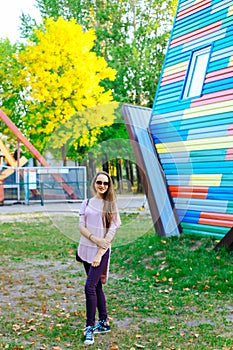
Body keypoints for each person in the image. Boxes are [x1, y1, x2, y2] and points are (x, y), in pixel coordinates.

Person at [77, 171, 121, 345]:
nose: (102, 186)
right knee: (96, 288)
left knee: (89, 287)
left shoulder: (110, 205)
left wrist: (99, 254)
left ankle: (89, 328)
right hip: (85, 249)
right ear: (94, 183)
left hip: (100, 253)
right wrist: (94, 239)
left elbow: (111, 233)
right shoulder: (86, 203)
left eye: (106, 183)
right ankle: (103, 322)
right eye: (99, 182)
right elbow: (81, 226)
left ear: (109, 185)